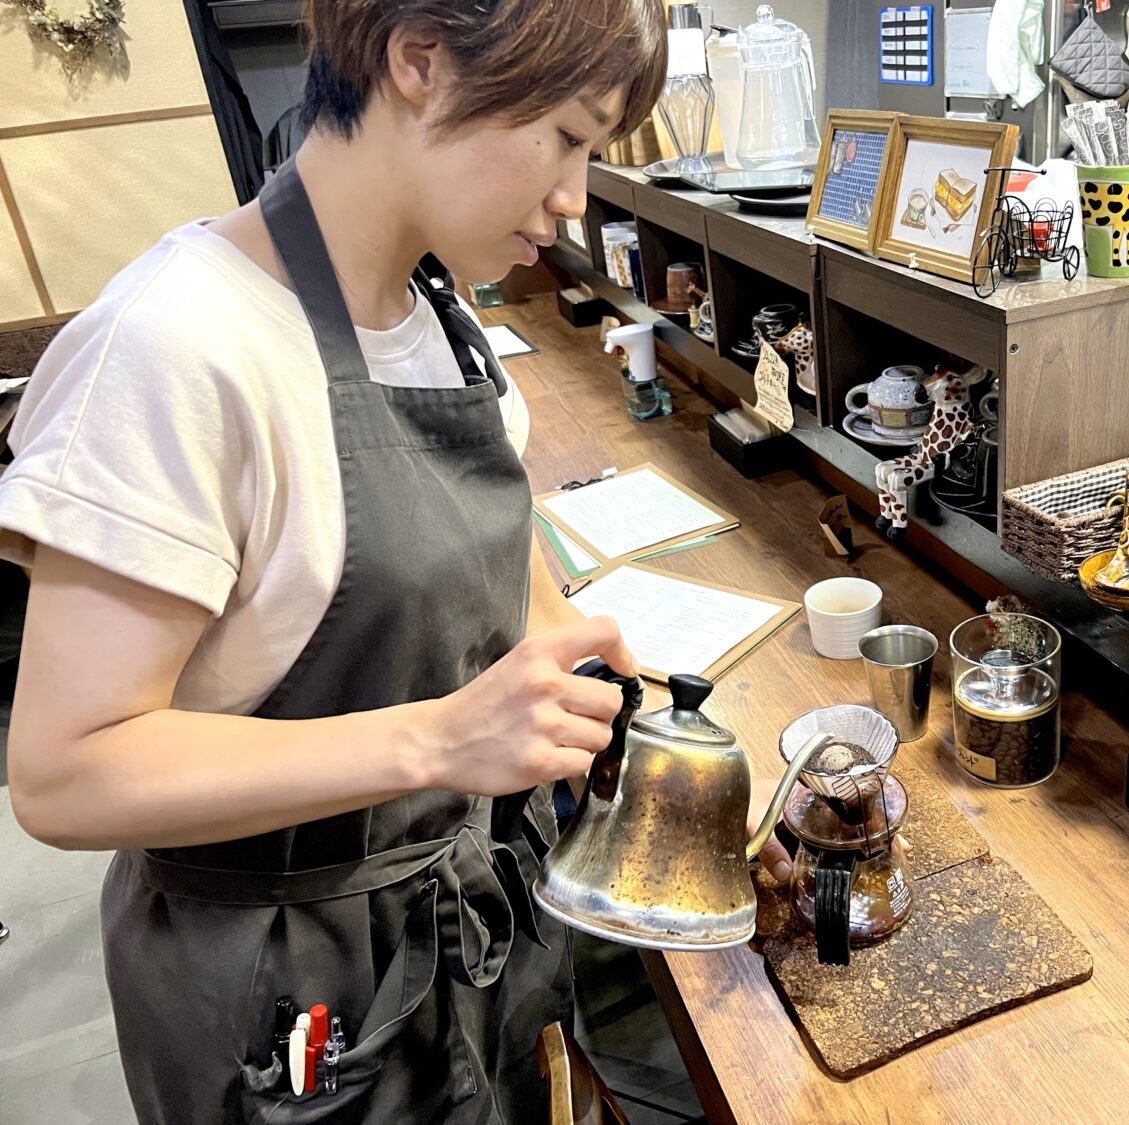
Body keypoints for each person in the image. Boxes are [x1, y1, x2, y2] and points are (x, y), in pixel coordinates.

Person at [0, 2, 788, 1120]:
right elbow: (65, 772)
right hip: (288, 987)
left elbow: (512, 587)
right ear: (419, 59)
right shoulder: (178, 347)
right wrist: (440, 737)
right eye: (567, 138)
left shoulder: (437, 312)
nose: (573, 201)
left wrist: (562, 648)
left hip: (461, 922)